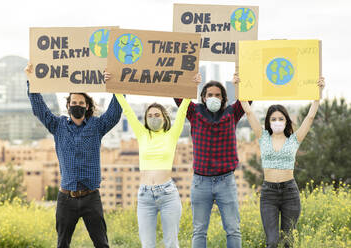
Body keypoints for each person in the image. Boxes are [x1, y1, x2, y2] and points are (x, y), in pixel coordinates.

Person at [25, 63, 122, 248]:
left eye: (81, 103)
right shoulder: (58, 125)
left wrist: (116, 85)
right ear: (68, 105)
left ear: (87, 106)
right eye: (74, 103)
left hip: (91, 197)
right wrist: (31, 81)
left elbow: (114, 114)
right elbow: (40, 110)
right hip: (66, 198)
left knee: (102, 244)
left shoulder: (97, 126)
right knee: (62, 244)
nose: (77, 106)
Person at [104, 72, 198, 248]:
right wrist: (113, 85)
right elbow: (127, 110)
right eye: (150, 115)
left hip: (168, 194)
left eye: (157, 115)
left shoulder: (172, 134)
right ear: (145, 119)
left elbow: (184, 108)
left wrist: (193, 85)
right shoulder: (142, 134)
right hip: (145, 195)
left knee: (171, 243)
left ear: (164, 118)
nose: (153, 118)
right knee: (147, 245)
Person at [239, 75, 325, 248]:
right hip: (269, 194)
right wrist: (239, 87)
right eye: (273, 119)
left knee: (288, 242)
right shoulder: (263, 137)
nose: (277, 122)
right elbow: (248, 112)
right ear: (268, 122)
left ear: (286, 121)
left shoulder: (294, 139)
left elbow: (309, 118)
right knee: (271, 242)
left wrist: (318, 94)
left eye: (280, 119)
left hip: (289, 193)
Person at [174, 74, 247, 248]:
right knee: (199, 230)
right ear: (203, 97)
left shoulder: (232, 113)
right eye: (209, 95)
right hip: (201, 182)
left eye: (217, 95)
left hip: (226, 181)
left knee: (233, 229)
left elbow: (248, 98)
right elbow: (178, 96)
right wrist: (192, 83)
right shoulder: (194, 112)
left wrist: (240, 85)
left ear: (223, 98)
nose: (213, 98)